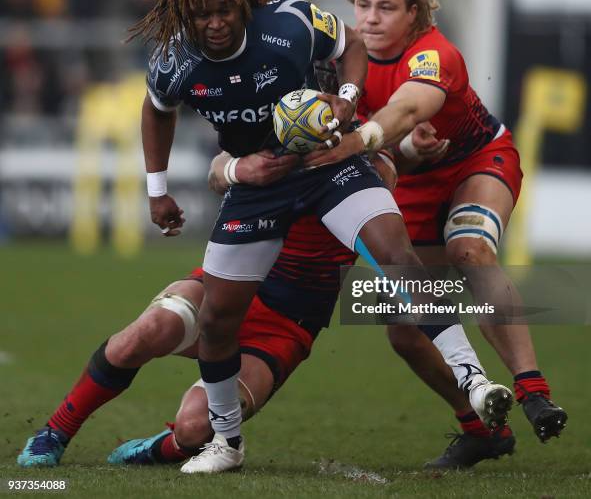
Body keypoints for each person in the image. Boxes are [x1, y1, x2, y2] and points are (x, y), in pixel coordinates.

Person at [131, 0, 488, 473]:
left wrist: (347, 101)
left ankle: (474, 380)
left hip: (326, 167)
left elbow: (351, 51)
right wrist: (159, 189)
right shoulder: (175, 58)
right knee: (217, 320)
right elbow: (160, 111)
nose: (215, 23)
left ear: (241, 1)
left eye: (224, 9)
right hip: (262, 186)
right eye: (201, 15)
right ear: (187, 15)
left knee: (397, 256)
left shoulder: (292, 23)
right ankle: (226, 444)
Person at [17, 150, 513, 471]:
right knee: (148, 330)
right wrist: (237, 169)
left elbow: (395, 165)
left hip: (287, 325)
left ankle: (159, 450)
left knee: (194, 428)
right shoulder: (277, 126)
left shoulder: (370, 168)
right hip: (232, 288)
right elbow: (217, 170)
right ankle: (54, 433)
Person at [304, 0, 567, 465]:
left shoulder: (432, 53)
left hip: (477, 160)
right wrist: (401, 150)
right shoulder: (337, 61)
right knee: (404, 328)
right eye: (363, 5)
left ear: (414, 15)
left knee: (468, 249)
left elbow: (406, 108)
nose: (372, 18)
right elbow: (398, 139)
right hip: (413, 182)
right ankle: (481, 427)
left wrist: (360, 142)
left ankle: (533, 390)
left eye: (386, 7)